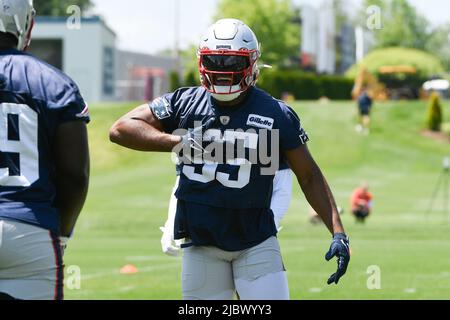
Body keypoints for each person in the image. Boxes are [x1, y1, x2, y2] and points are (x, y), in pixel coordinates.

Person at [110, 19, 349, 300]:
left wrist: (338, 232)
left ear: (252, 63)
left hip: (256, 242)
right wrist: (179, 142)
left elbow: (308, 175)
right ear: (202, 61)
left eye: (231, 62)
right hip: (201, 245)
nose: (222, 70)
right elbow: (120, 129)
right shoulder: (184, 102)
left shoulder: (275, 113)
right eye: (215, 60)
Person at [0, 0, 90, 300]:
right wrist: (61, 232)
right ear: (24, 22)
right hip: (28, 229)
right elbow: (74, 175)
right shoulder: (51, 81)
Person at [160, 166, 293, 256]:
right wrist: (171, 224)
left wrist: (269, 226)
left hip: (251, 228)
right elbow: (185, 180)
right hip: (206, 231)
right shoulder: (197, 128)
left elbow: (282, 180)